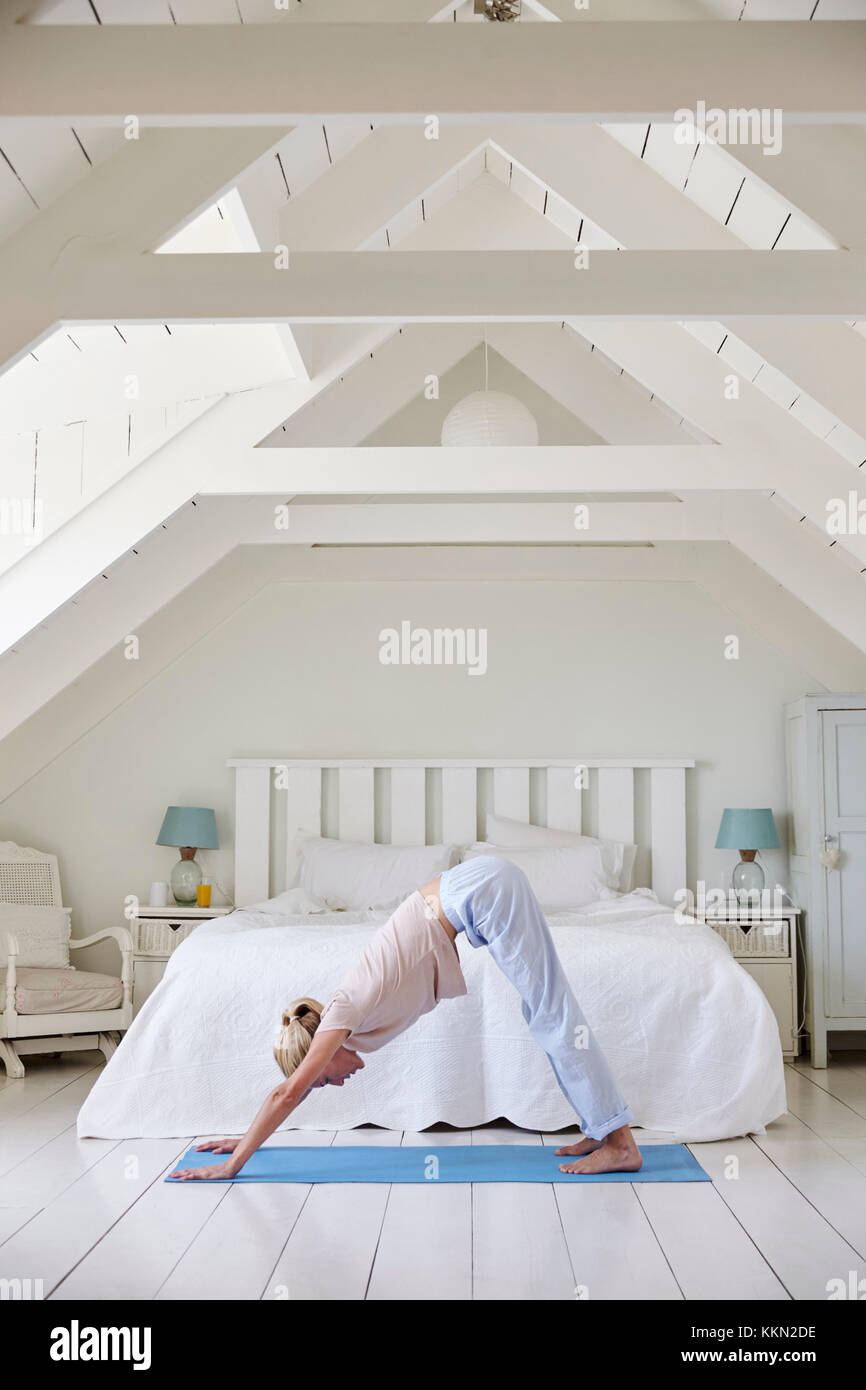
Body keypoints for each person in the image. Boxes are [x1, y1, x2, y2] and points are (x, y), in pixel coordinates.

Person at [170, 856, 641, 1181]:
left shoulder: (342, 1013)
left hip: (480, 892)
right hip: (477, 891)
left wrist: (236, 1161)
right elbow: (290, 1093)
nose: (327, 1086)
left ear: (319, 1049)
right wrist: (246, 1137)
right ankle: (601, 1130)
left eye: (319, 1079)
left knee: (552, 1013)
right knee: (546, 1011)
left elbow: (285, 1092)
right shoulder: (352, 1018)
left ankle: (619, 1143)